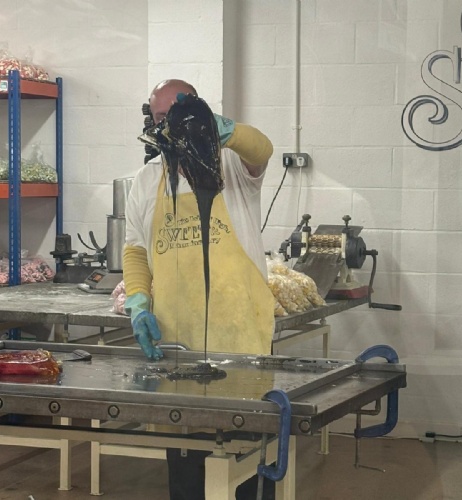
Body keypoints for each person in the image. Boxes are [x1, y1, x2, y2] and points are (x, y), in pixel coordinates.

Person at [123, 79, 276, 500]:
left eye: (174, 115)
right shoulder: (147, 179)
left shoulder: (231, 166)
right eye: (159, 118)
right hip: (179, 344)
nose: (167, 127)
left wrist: (224, 130)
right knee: (187, 465)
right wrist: (138, 303)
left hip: (241, 339)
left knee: (248, 464)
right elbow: (135, 250)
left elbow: (262, 150)